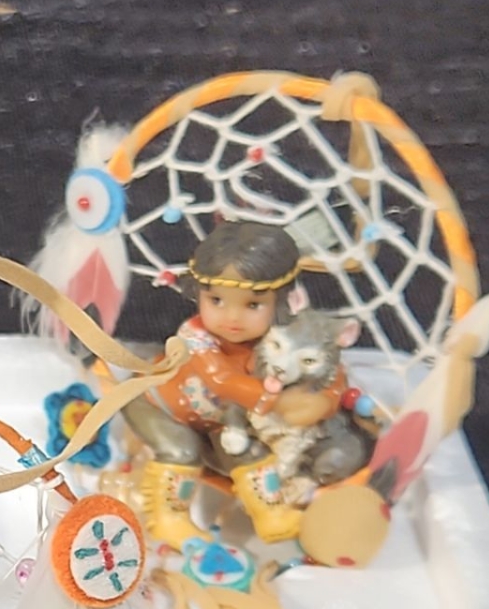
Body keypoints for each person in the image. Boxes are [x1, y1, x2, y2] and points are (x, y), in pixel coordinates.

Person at [124, 220, 339, 544]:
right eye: (216, 301)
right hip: (158, 405)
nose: (233, 317)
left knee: (249, 450)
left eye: (253, 304)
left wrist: (326, 398)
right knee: (182, 450)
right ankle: (168, 517)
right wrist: (279, 402)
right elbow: (221, 380)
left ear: (281, 302)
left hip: (218, 421)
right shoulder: (194, 336)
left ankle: (272, 513)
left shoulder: (277, 339)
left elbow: (328, 367)